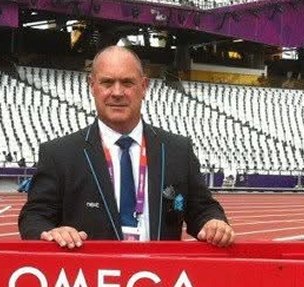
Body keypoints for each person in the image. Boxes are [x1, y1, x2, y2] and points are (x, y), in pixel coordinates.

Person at [18, 45, 234, 248]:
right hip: (91, 274)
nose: (117, 92)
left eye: (127, 82)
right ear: (92, 86)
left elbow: (202, 208)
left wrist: (213, 223)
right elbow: (34, 216)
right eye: (107, 82)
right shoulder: (59, 154)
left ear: (144, 87)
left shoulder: (178, 150)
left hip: (157, 273)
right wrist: (51, 232)